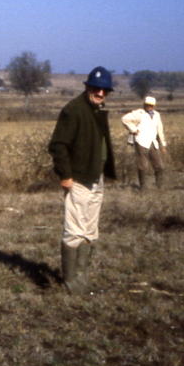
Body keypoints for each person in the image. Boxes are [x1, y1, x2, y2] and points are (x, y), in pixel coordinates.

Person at [48, 66, 116, 295]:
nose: (101, 93)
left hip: (95, 176)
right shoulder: (73, 110)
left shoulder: (96, 110)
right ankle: (71, 282)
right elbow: (58, 145)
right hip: (78, 178)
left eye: (105, 90)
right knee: (74, 229)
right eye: (96, 89)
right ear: (88, 87)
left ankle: (82, 278)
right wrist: (65, 175)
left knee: (90, 230)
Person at [121, 96, 167, 190]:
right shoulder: (139, 113)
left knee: (159, 166)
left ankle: (160, 187)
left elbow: (160, 130)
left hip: (153, 143)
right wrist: (134, 129)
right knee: (143, 166)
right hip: (141, 142)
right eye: (147, 105)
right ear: (144, 104)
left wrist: (163, 144)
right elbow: (124, 119)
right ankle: (143, 188)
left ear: (154, 106)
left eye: (151, 105)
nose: (149, 107)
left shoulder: (157, 115)